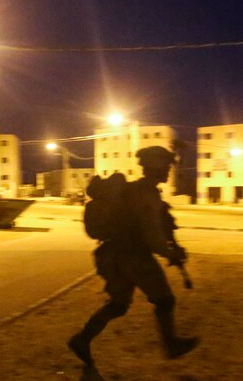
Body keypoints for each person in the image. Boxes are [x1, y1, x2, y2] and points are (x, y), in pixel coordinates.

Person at [67, 146, 198, 367]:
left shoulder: (136, 190)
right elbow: (151, 233)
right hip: (135, 257)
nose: (167, 171)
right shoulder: (146, 194)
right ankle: (170, 344)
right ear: (155, 167)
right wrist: (169, 252)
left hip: (115, 256)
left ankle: (81, 340)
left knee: (118, 305)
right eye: (165, 167)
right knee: (165, 300)